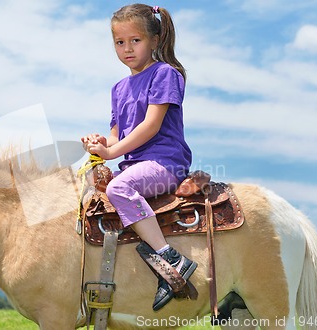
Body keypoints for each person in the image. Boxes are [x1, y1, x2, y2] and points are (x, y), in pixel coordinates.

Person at [81, 3, 196, 311]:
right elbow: (118, 136)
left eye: (136, 40)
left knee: (119, 189)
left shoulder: (165, 74)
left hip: (165, 162)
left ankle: (171, 258)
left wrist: (111, 152)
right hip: (135, 165)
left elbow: (150, 126)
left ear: (155, 41)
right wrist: (100, 144)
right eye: (120, 42)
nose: (127, 49)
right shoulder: (118, 89)